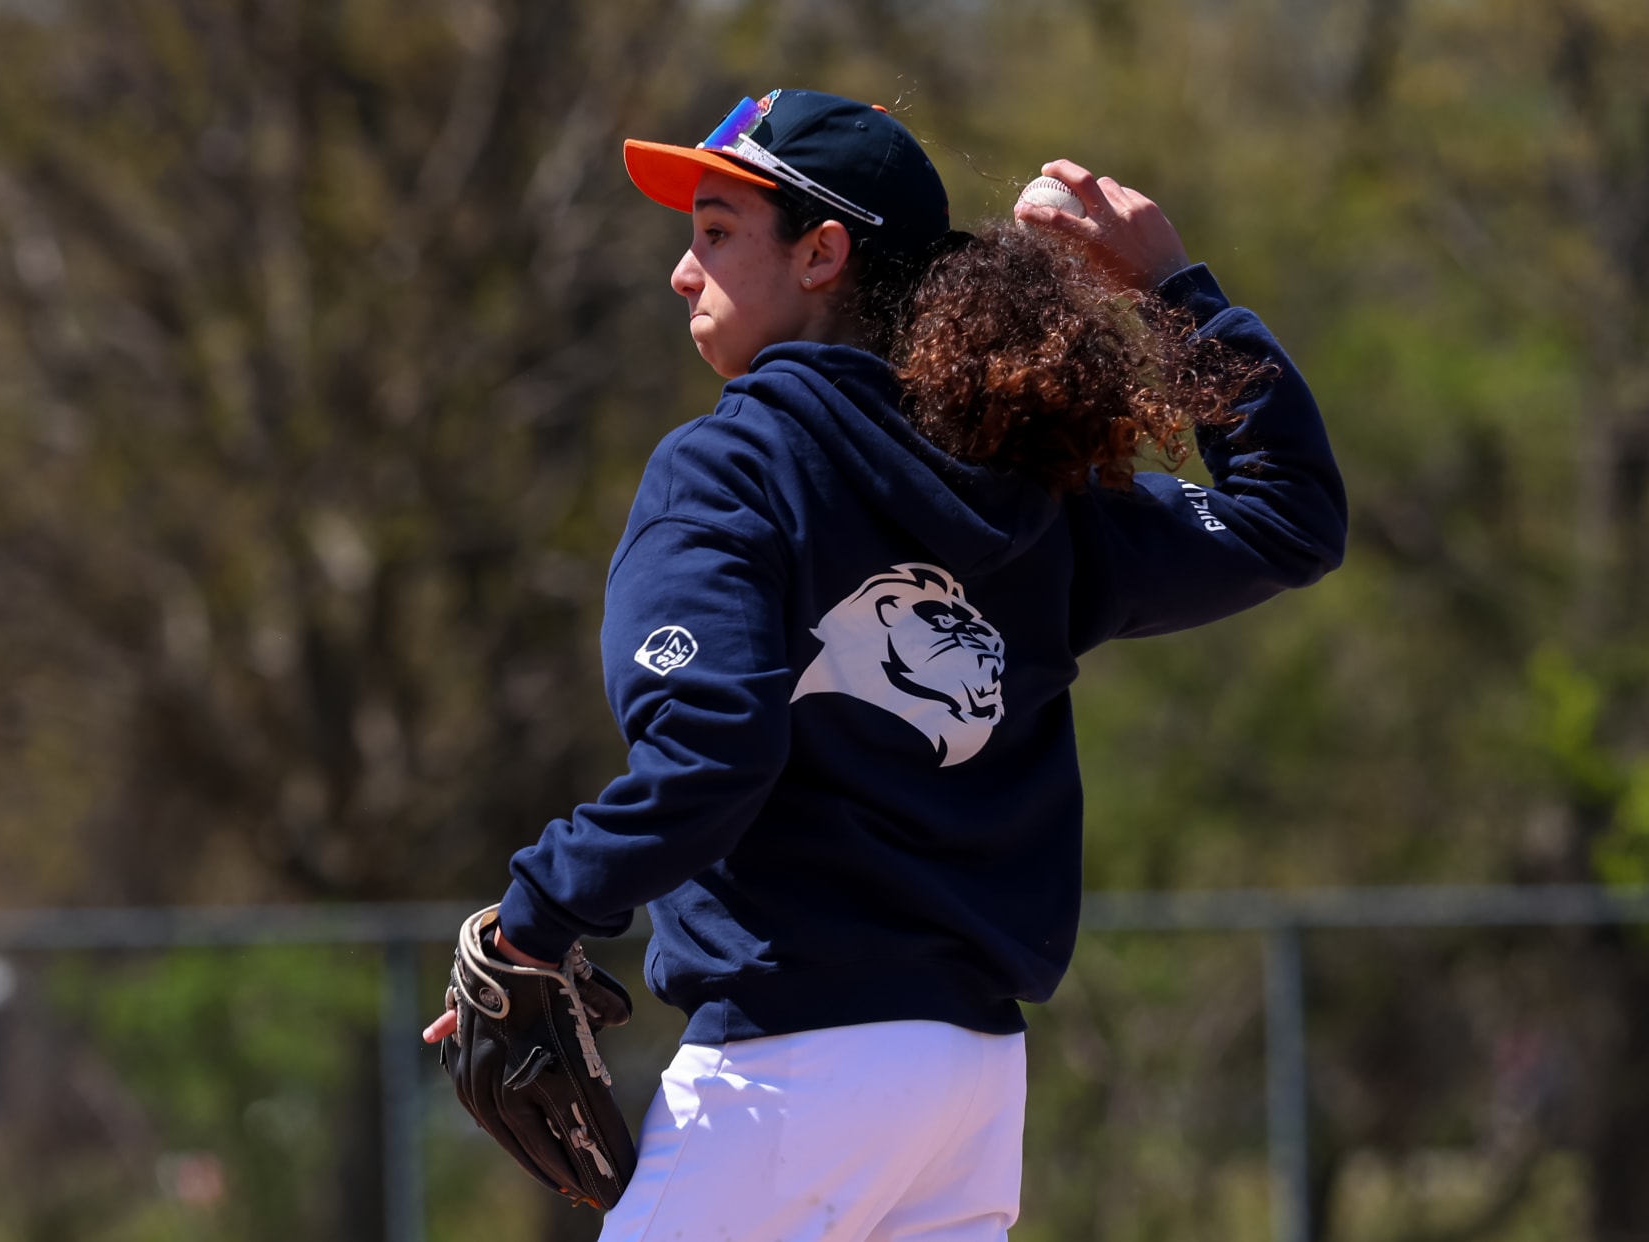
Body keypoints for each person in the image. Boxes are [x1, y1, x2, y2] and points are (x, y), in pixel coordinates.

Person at [424, 88, 1345, 1240]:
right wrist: (1172, 291)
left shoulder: (731, 466)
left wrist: (534, 917)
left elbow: (712, 753)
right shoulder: (1031, 487)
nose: (680, 270)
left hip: (791, 1067)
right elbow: (1287, 516)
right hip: (966, 1085)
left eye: (715, 232)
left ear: (821, 253)